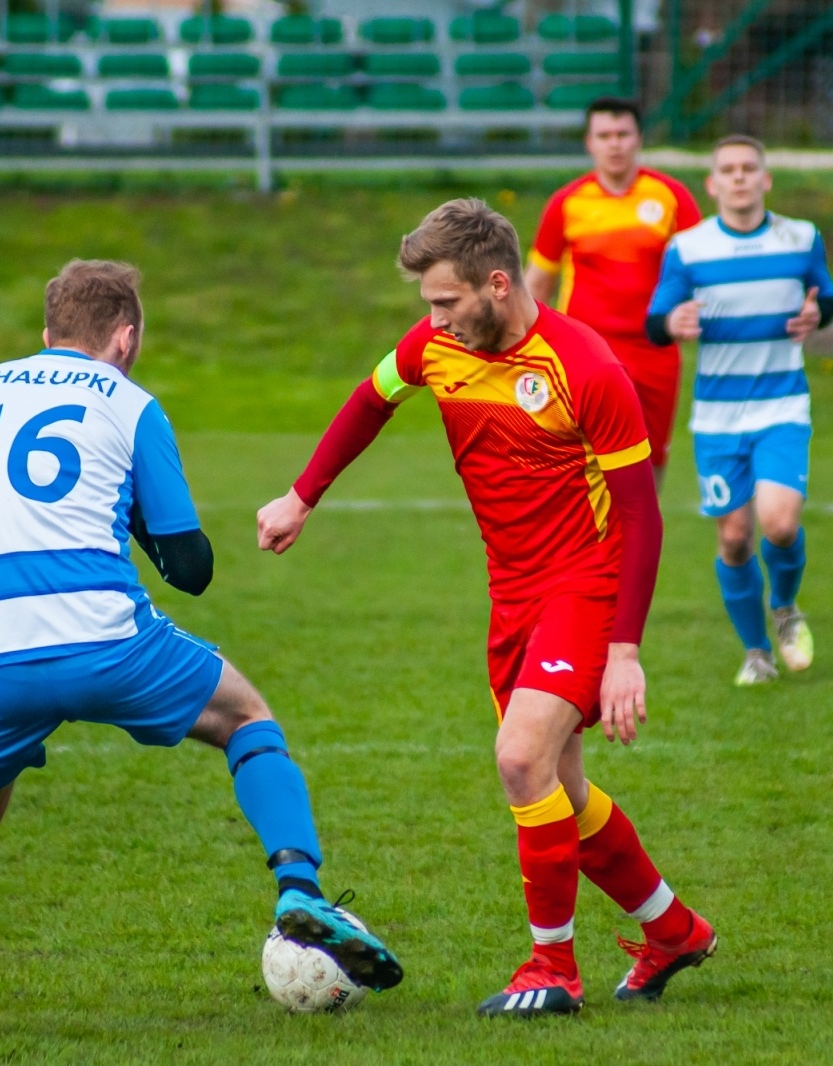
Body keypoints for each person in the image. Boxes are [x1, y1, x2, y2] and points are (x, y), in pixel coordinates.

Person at [0, 260, 401, 1054]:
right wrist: (141, 530)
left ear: (47, 333)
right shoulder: (131, 402)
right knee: (246, 716)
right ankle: (300, 887)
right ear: (126, 336)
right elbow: (191, 570)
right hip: (104, 636)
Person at [257, 201, 715, 1018]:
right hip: (512, 596)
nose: (432, 321)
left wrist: (624, 650)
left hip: (586, 584)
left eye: (444, 302)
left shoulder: (588, 369)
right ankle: (673, 930)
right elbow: (370, 400)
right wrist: (301, 496)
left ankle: (551, 969)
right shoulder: (437, 348)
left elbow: (642, 517)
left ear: (496, 285)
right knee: (560, 791)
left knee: (519, 760)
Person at [645, 136, 833, 686]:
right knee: (734, 538)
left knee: (778, 525)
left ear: (765, 178)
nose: (738, 178)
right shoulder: (688, 248)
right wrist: (673, 325)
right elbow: (655, 320)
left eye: (748, 168)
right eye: (727, 170)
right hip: (717, 417)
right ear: (712, 184)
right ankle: (757, 652)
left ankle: (784, 608)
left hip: (782, 404)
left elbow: (826, 297)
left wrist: (816, 312)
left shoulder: (800, 237)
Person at [524, 96, 702, 486]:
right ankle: (586, 546)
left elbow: (703, 272)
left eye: (623, 134)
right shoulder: (566, 204)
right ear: (590, 143)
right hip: (585, 353)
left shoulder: (670, 197)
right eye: (605, 135)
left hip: (654, 354)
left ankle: (639, 547)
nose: (615, 144)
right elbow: (535, 285)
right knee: (582, 465)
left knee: (647, 470)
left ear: (639, 138)